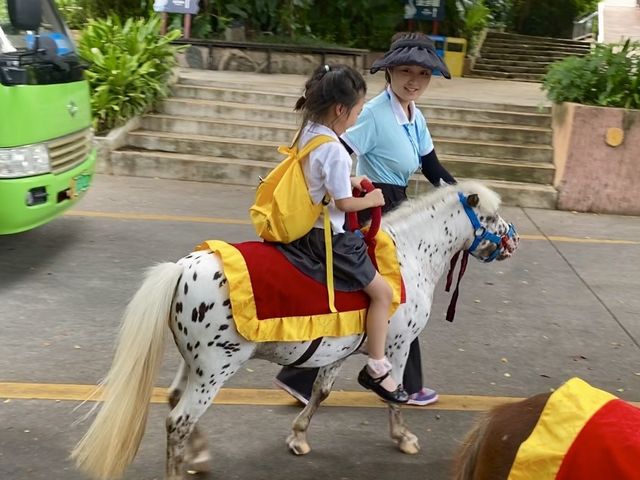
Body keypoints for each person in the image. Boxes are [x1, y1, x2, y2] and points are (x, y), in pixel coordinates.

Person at [275, 32, 456, 407]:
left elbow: (431, 165)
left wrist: (464, 197)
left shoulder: (413, 114)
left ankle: (307, 376)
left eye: (423, 74)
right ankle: (309, 374)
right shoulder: (372, 113)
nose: (414, 80)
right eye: (405, 71)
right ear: (388, 72)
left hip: (398, 205)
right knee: (391, 294)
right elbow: (336, 145)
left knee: (398, 295)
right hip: (375, 207)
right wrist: (347, 184)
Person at [276, 63, 409, 404]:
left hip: (303, 229)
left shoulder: (308, 132)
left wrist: (346, 181)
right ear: (340, 109)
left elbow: (315, 179)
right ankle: (378, 365)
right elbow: (345, 204)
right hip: (328, 237)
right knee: (382, 293)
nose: (359, 116)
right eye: (359, 109)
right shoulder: (335, 148)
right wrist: (372, 197)